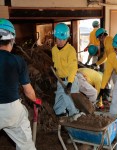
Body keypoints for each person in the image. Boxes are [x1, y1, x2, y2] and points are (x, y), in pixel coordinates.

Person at [0, 18, 42, 150]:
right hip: (11, 110)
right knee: (25, 145)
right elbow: (28, 91)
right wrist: (36, 100)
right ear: (12, 40)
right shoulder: (18, 61)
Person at [52, 23, 81, 117]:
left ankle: (76, 119)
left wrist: (69, 83)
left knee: (72, 107)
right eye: (58, 39)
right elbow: (56, 65)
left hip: (70, 81)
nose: (61, 41)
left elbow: (73, 68)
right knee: (58, 108)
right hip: (60, 81)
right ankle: (64, 120)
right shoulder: (54, 50)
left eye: (63, 39)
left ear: (67, 38)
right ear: (55, 37)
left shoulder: (71, 50)